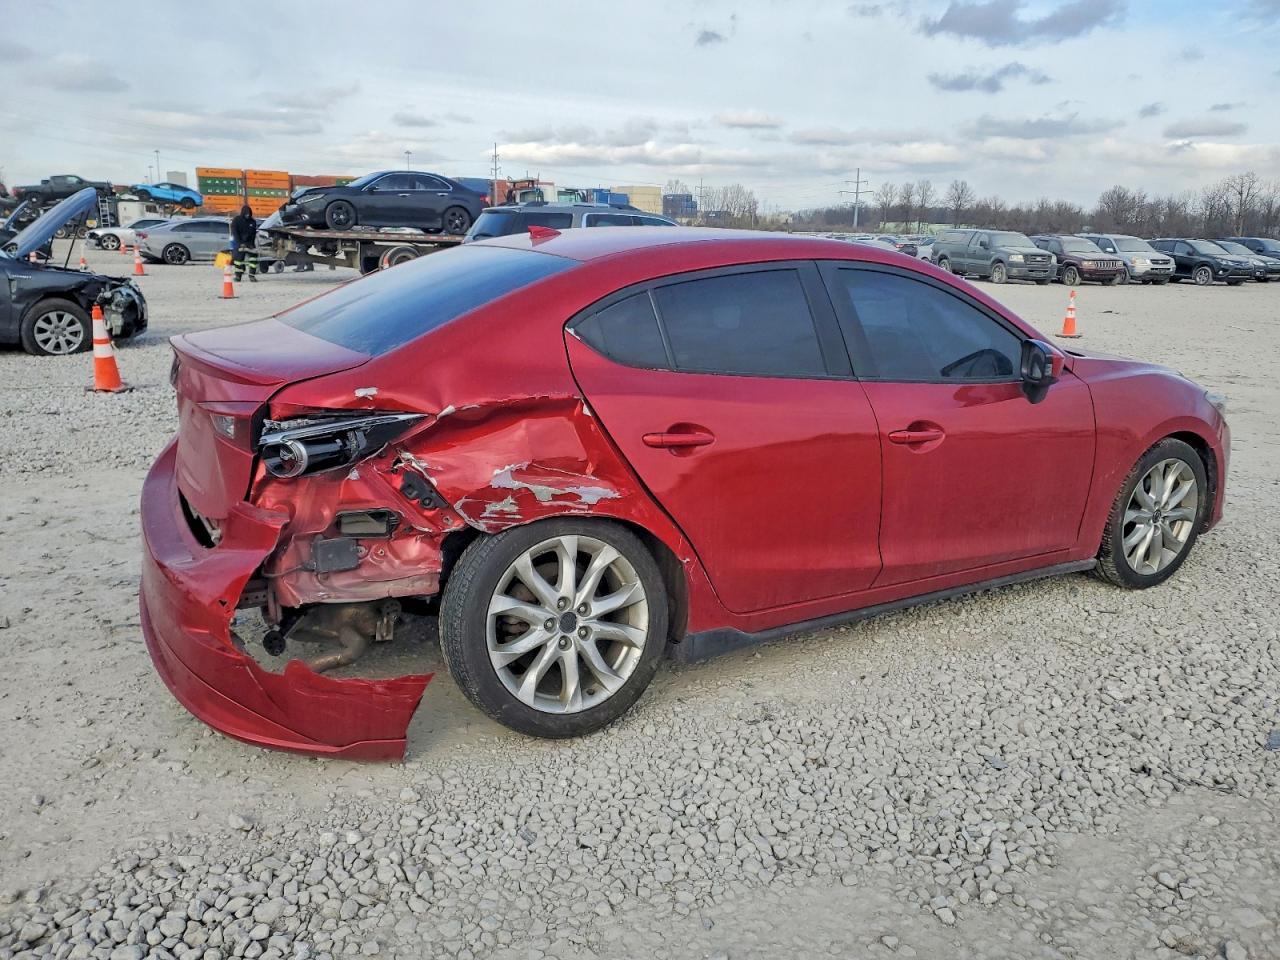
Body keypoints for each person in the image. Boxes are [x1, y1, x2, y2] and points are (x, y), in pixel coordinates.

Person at [230, 205, 258, 282]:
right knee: (238, 260)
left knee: (253, 258)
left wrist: (251, 244)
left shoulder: (252, 221)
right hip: (239, 242)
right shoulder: (237, 220)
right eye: (246, 214)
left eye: (249, 214)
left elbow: (253, 234)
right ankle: (238, 276)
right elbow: (235, 232)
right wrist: (239, 243)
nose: (247, 215)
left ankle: (252, 276)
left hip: (249, 243)